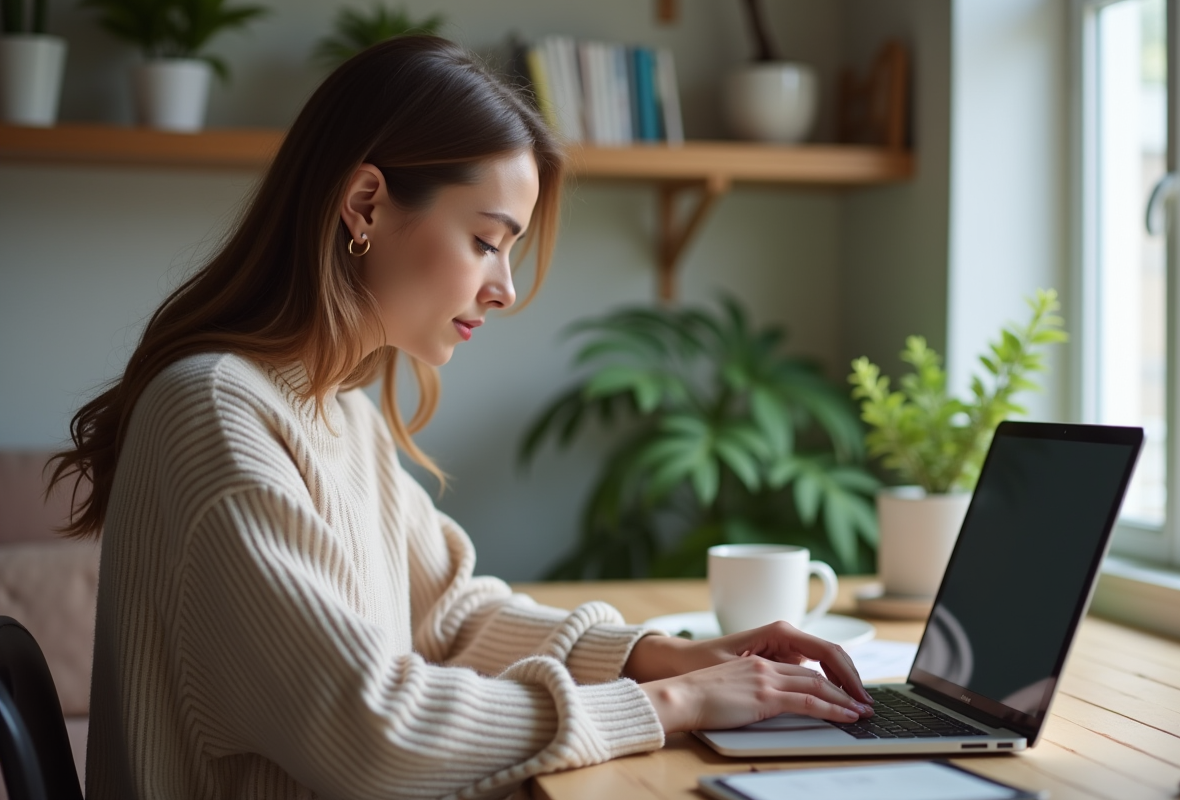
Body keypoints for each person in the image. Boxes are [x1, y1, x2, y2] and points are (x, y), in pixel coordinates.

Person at [48, 36, 874, 800]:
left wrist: (656, 654)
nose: (505, 289)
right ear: (364, 204)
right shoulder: (218, 412)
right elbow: (370, 728)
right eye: (487, 240)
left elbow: (449, 620)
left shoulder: (339, 414)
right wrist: (674, 700)